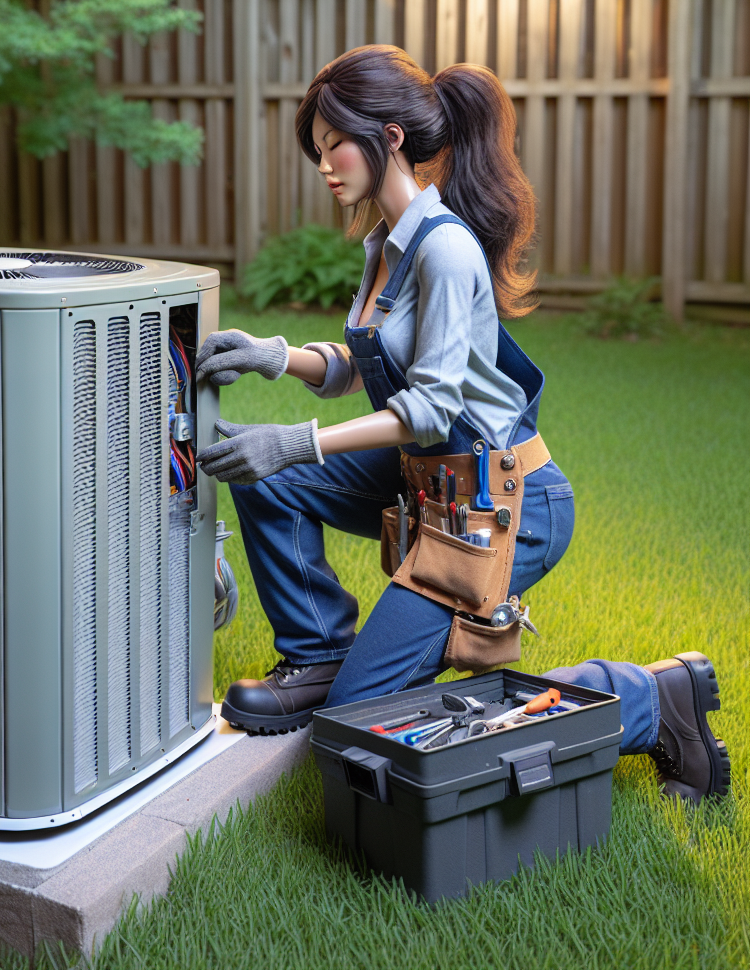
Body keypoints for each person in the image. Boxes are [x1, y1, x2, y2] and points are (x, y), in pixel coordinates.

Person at [194, 45, 729, 805]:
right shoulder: (386, 242)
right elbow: (366, 358)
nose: (324, 165)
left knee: (355, 726)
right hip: (431, 480)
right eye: (316, 151)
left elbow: (427, 408)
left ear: (388, 138)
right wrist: (276, 356)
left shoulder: (444, 249)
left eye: (333, 145)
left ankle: (650, 699)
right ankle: (316, 657)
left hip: (502, 504)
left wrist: (297, 438)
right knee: (271, 481)